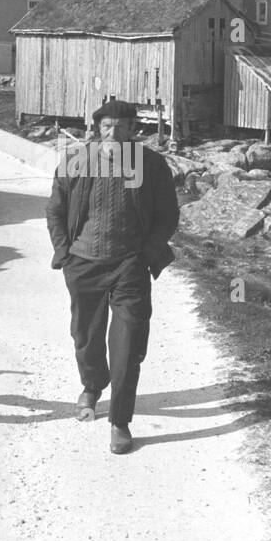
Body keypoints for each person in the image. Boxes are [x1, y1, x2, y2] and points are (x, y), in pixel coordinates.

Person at [46, 100, 180, 454]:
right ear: (96, 129)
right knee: (85, 336)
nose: (113, 134)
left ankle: (120, 421)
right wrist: (64, 252)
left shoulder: (150, 165)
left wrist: (147, 253)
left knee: (127, 343)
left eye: (122, 128)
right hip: (84, 263)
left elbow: (168, 215)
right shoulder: (76, 160)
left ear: (134, 130)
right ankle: (92, 385)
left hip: (129, 266)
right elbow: (55, 208)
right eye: (107, 127)